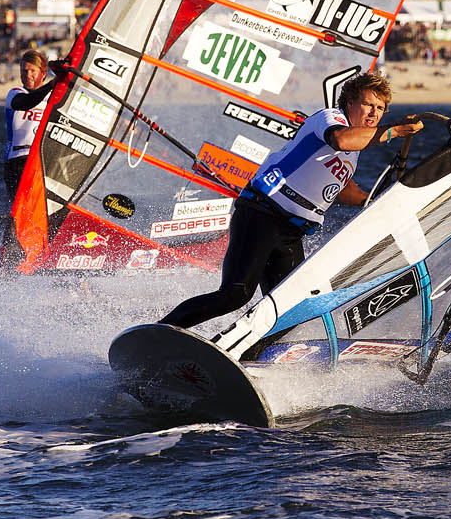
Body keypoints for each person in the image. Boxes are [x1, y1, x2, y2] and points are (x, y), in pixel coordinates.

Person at [160, 71, 422, 330]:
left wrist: (371, 199)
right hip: (262, 214)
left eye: (380, 108)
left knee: (288, 313)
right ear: (350, 103)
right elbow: (341, 140)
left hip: (290, 232)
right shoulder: (330, 118)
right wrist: (395, 131)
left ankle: (249, 352)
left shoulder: (355, 151)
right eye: (368, 104)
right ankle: (160, 331)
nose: (374, 113)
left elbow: (341, 188)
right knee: (235, 294)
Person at [3, 49, 64, 203]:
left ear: (43, 73)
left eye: (32, 71)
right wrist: (51, 85)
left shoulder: (53, 98)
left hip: (42, 160)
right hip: (17, 161)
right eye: (24, 71)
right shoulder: (15, 93)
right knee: (20, 207)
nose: (28, 75)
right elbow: (26, 103)